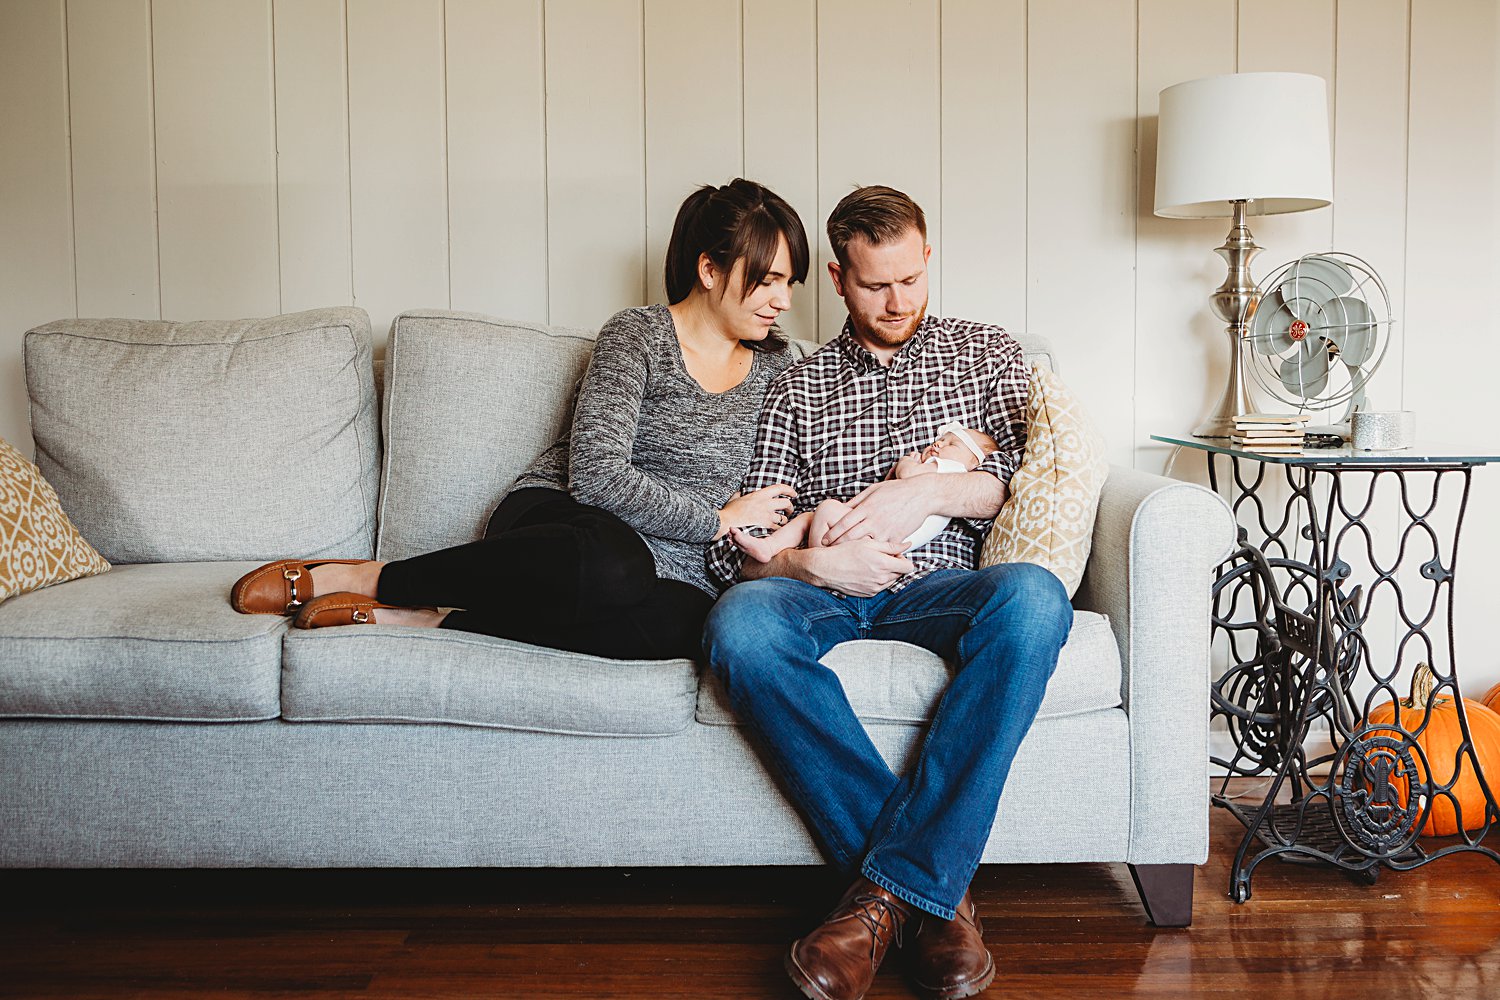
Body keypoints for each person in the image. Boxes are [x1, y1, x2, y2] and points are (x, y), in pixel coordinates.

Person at [701, 186, 1073, 1000]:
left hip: (941, 584)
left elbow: (1018, 481)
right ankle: (937, 903)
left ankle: (877, 905)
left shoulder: (985, 352)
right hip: (829, 587)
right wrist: (811, 567)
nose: (898, 300)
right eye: (875, 285)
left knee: (1037, 601)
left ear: (928, 257)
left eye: (911, 279)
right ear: (838, 278)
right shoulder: (795, 386)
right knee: (741, 626)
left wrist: (931, 494)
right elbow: (751, 548)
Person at [229, 178, 808, 661]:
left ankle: (423, 621)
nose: (783, 300)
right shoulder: (638, 335)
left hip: (675, 569)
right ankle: (369, 579)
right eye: (770, 279)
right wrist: (714, 518)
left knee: (692, 628)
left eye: (789, 281)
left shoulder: (776, 366)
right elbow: (596, 475)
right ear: (710, 269)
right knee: (616, 565)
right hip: (567, 527)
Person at [729, 423, 999, 564]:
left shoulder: (953, 470)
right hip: (878, 536)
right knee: (811, 518)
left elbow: (907, 477)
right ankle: (770, 548)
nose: (939, 444)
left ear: (974, 463)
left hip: (876, 535)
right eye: (941, 440)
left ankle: (805, 553)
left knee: (824, 510)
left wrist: (907, 463)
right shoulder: (944, 466)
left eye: (952, 443)